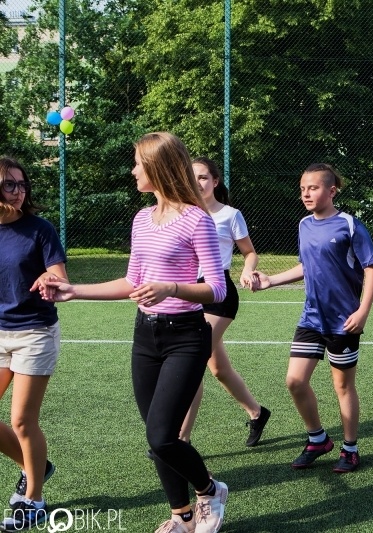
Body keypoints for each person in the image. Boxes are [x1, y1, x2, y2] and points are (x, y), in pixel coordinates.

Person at [42, 133, 229, 533]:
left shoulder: (197, 219)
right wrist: (74, 291)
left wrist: (171, 287)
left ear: (157, 167)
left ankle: (209, 491)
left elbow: (217, 288)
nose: (132, 171)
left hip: (186, 336)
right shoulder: (142, 219)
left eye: (138, 164)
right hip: (146, 336)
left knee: (163, 436)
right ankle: (180, 516)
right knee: (155, 438)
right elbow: (131, 282)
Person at [251, 163, 373, 473]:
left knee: (343, 386)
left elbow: (372, 268)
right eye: (303, 188)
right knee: (295, 381)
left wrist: (363, 311)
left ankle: (350, 448)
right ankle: (318, 439)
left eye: (313, 187)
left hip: (343, 321)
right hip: (311, 318)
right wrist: (271, 280)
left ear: (331, 190)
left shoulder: (349, 225)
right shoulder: (304, 224)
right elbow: (306, 266)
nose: (306, 193)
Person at [176, 157, 270, 447]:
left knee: (191, 362)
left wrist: (246, 269)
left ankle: (181, 439)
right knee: (218, 368)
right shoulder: (184, 214)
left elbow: (249, 252)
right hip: (188, 293)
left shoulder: (230, 215)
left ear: (215, 181)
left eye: (203, 177)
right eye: (192, 177)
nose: (198, 182)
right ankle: (257, 413)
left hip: (219, 294)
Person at [0, 158, 64, 530]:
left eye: (23, 185)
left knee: (22, 420)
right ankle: (34, 465)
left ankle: (34, 500)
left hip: (34, 332)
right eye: (11, 185)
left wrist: (49, 278)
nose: (20, 191)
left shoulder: (39, 229)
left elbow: (59, 275)